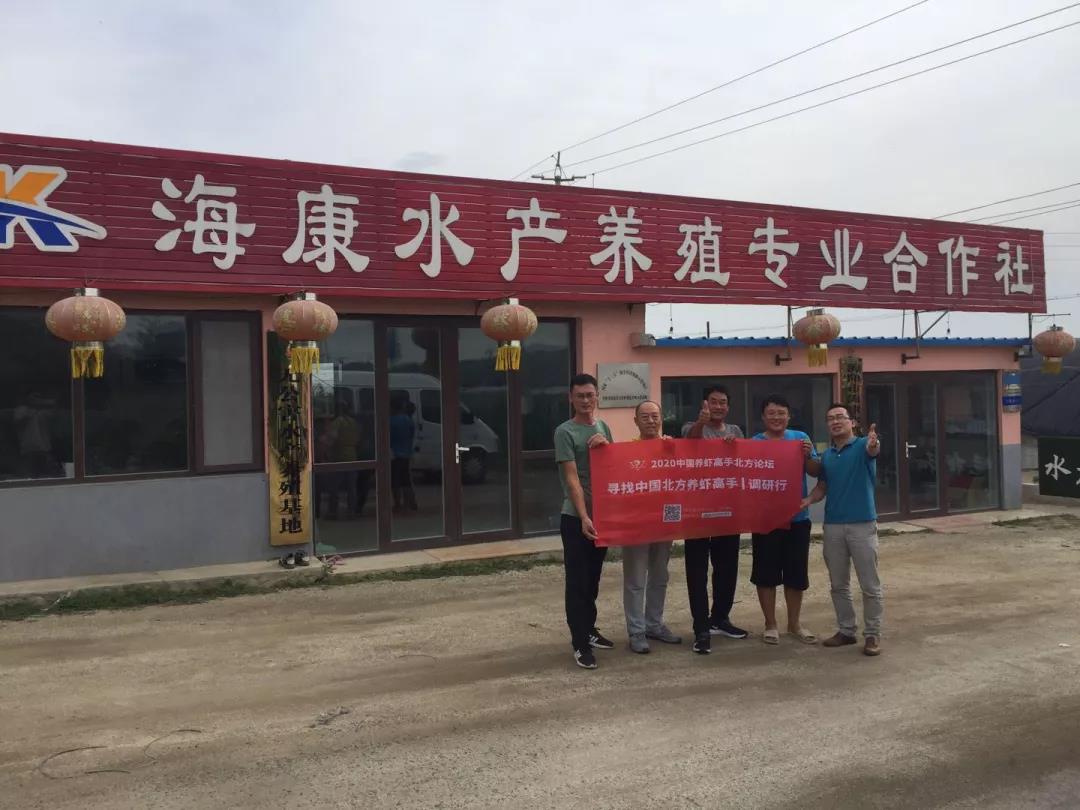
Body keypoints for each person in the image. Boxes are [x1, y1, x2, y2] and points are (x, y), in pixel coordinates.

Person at [802, 403, 883, 657]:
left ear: (852, 422)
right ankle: (846, 630)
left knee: (869, 584)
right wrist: (807, 500)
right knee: (838, 584)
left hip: (862, 524)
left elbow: (873, 449)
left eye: (840, 417)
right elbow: (822, 487)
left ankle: (872, 634)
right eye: (830, 419)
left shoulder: (862, 445)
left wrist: (873, 443)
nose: (835, 422)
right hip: (833, 526)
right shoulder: (827, 456)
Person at [750, 394, 821, 645]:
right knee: (766, 574)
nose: (776, 417)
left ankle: (794, 624)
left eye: (781, 413)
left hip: (797, 518)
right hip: (766, 520)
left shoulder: (800, 438)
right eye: (771, 413)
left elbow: (815, 471)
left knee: (796, 574)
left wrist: (808, 456)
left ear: (789, 416)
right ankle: (770, 624)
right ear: (763, 417)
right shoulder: (754, 443)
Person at [681, 385, 746, 655]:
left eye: (723, 402)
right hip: (696, 511)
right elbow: (689, 445)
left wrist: (735, 448)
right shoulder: (691, 427)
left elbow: (744, 462)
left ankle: (720, 618)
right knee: (697, 572)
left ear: (728, 407)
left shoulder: (736, 431)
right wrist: (701, 423)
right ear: (704, 404)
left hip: (726, 509)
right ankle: (701, 628)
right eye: (713, 402)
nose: (718, 407)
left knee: (727, 568)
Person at [555, 373, 614, 670]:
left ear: (597, 396)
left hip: (602, 516)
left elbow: (613, 466)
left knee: (593, 579)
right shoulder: (564, 432)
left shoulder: (603, 427)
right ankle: (579, 643)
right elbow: (572, 479)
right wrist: (584, 516)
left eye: (590, 395)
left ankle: (589, 629)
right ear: (571, 398)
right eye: (580, 396)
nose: (586, 400)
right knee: (577, 582)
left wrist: (607, 446)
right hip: (576, 518)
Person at [621, 400, 682, 654]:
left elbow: (684, 479)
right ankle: (636, 632)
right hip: (636, 523)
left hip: (664, 520)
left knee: (659, 576)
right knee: (635, 579)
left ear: (661, 419)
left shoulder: (670, 447)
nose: (650, 421)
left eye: (655, 416)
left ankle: (654, 625)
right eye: (645, 417)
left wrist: (673, 450)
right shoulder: (625, 451)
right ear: (636, 421)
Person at [389, 395, 418, 512]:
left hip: (394, 455)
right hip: (406, 453)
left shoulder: (390, 421)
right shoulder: (408, 420)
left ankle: (398, 503)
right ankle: (410, 503)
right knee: (406, 480)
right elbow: (411, 435)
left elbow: (387, 438)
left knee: (395, 481)